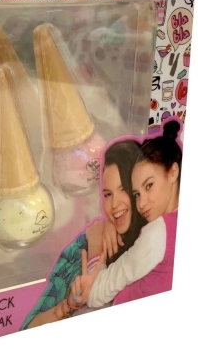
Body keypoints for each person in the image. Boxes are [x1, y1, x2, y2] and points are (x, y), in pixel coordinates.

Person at [22, 139, 147, 329]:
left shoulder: (157, 237)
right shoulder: (83, 249)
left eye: (124, 189)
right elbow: (30, 327)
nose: (114, 204)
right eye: (108, 194)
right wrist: (69, 306)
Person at [69, 119, 182, 309]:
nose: (142, 203)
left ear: (173, 172)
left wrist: (96, 243)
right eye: (137, 194)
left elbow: (95, 293)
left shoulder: (158, 233)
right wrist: (107, 223)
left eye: (149, 185)